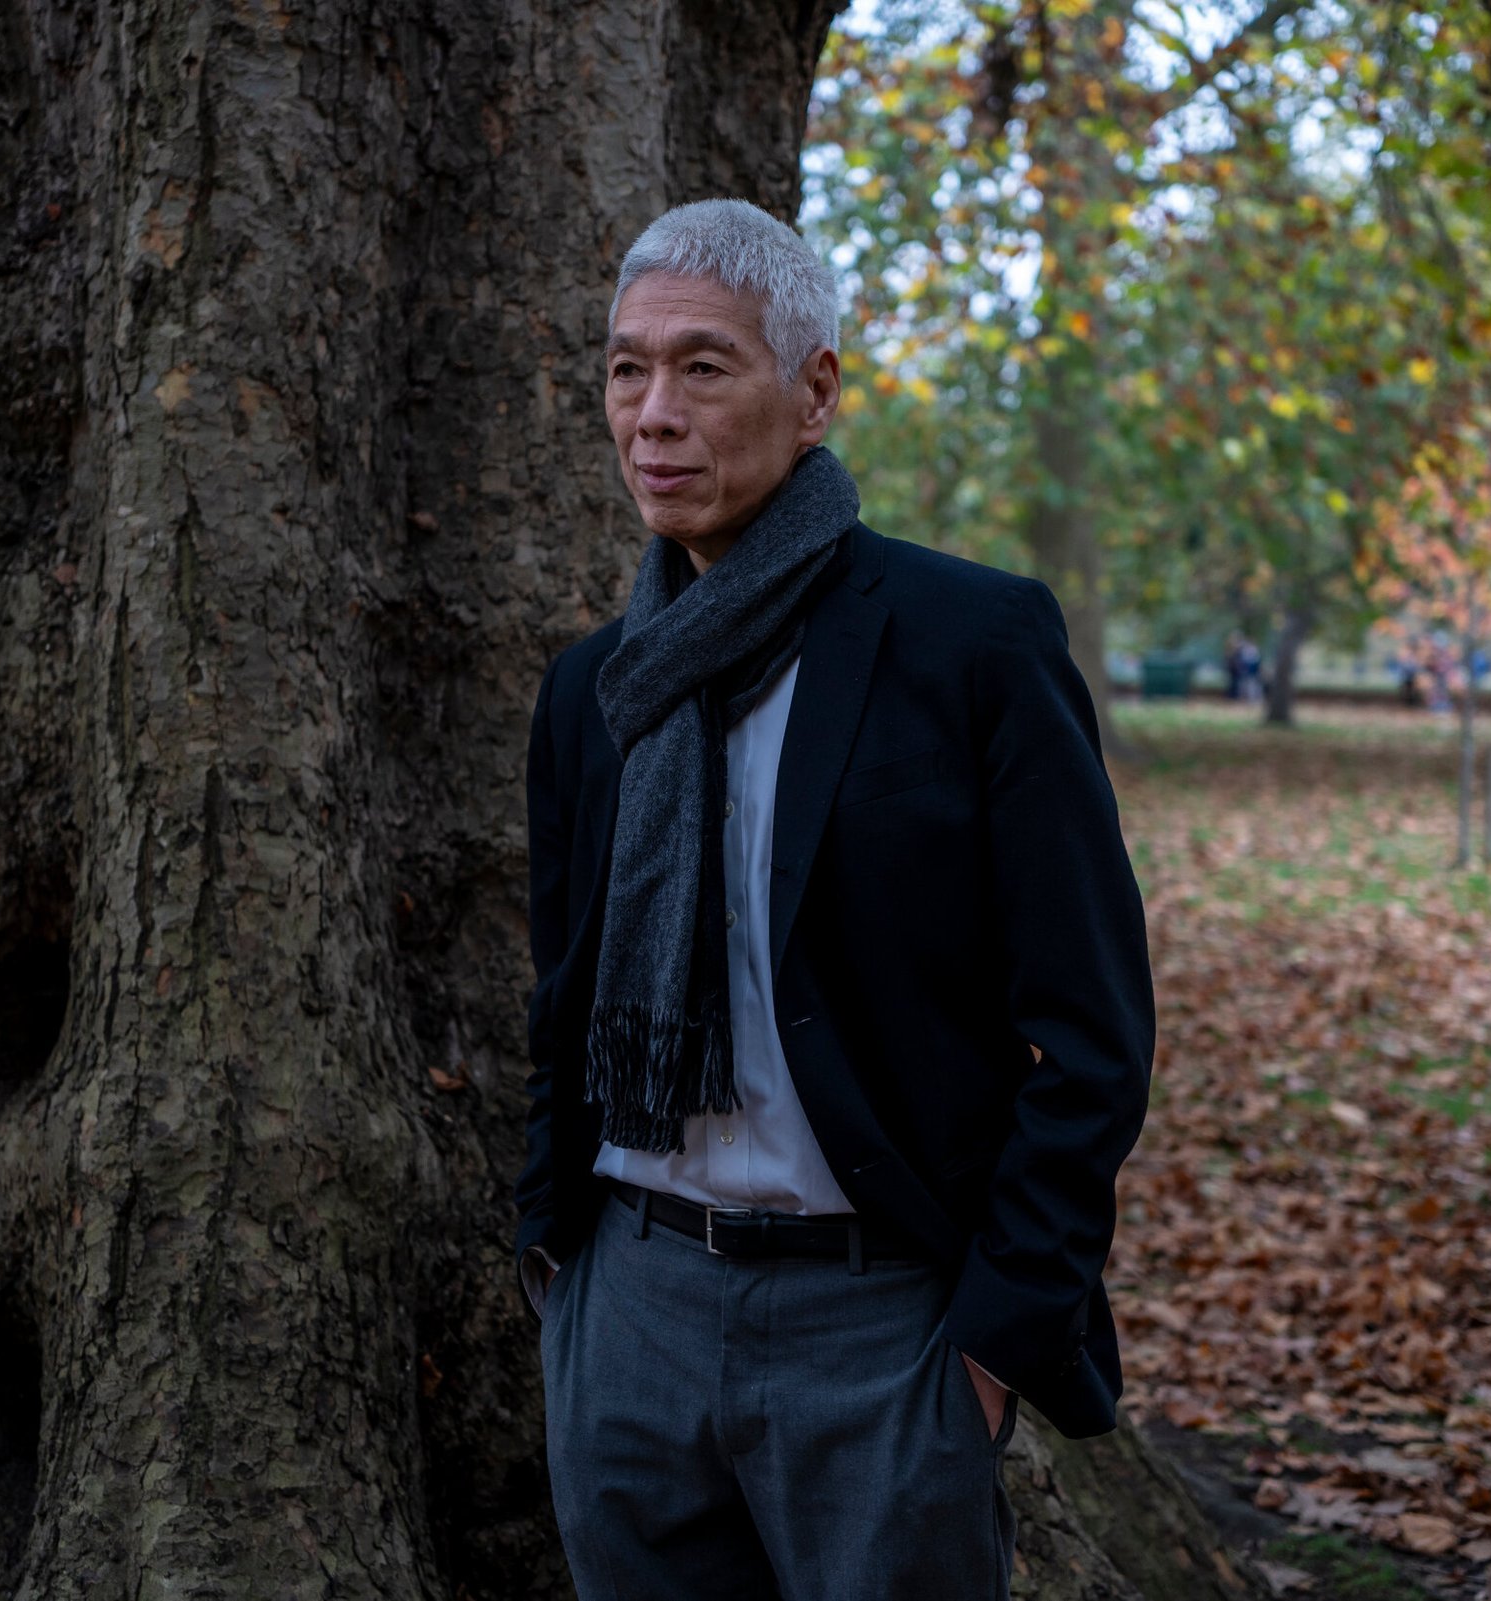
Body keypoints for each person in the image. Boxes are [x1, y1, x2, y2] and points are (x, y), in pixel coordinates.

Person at [514, 198, 1155, 1601]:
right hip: (631, 1316)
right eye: (627, 370)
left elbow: (1095, 1030)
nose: (654, 415)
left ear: (814, 394)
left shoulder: (971, 644)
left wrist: (990, 1343)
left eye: (704, 367)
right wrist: (562, 1276)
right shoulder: (593, 690)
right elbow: (562, 1000)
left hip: (881, 1329)